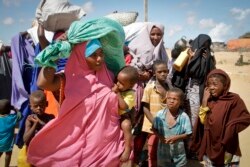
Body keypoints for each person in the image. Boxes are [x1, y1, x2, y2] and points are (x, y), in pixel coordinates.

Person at [27, 17, 126, 166]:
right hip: (75, 147)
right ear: (80, 56)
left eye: (101, 53)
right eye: (93, 55)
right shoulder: (69, 78)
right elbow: (44, 83)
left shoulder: (111, 76)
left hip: (108, 149)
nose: (99, 58)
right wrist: (56, 51)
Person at [124, 22, 169, 165]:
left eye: (159, 34)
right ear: (147, 34)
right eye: (152, 34)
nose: (155, 37)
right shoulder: (135, 49)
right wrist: (138, 75)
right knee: (135, 123)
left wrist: (150, 74)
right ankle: (132, 155)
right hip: (136, 90)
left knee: (149, 125)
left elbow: (165, 72)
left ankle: (146, 155)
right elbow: (126, 69)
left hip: (154, 94)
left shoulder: (162, 52)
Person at [191, 69, 250, 166]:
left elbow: (245, 118)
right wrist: (204, 101)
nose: (211, 88)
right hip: (210, 144)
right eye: (209, 84)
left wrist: (230, 128)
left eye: (215, 84)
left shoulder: (233, 99)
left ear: (225, 85)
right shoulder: (209, 101)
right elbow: (203, 121)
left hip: (228, 145)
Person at [137, 60, 172, 167]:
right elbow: (145, 108)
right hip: (153, 126)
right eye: (160, 72)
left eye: (165, 71)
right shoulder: (149, 88)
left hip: (166, 124)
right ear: (154, 73)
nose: (163, 74)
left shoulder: (169, 87)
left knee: (165, 150)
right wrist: (154, 122)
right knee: (152, 148)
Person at [153, 87, 192, 167]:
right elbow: (154, 129)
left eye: (175, 99)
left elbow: (189, 133)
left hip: (178, 155)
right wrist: (160, 137)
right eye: (169, 98)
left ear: (181, 102)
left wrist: (176, 138)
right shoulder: (159, 115)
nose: (171, 101)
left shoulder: (184, 117)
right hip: (162, 154)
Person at [112, 66, 139, 162]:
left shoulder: (130, 93)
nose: (118, 84)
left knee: (126, 125)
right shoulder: (119, 87)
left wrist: (117, 94)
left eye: (122, 83)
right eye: (117, 81)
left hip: (123, 116)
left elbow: (124, 107)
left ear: (131, 85)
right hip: (113, 115)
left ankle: (127, 149)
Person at [0, 99, 21, 167]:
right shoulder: (11, 118)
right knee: (8, 154)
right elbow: (20, 116)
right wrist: (15, 109)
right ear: (9, 110)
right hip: (8, 143)